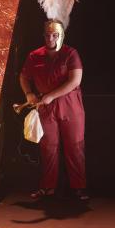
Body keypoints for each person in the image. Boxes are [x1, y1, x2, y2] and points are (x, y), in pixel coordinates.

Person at [19, 20, 88, 201]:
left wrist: (51, 96)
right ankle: (48, 187)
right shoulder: (34, 56)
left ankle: (78, 188)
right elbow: (24, 77)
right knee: (48, 147)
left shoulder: (70, 54)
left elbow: (75, 80)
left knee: (75, 146)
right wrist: (28, 93)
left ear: (61, 35)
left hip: (70, 105)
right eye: (47, 35)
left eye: (55, 35)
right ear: (43, 35)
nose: (50, 38)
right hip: (45, 107)